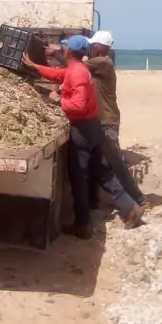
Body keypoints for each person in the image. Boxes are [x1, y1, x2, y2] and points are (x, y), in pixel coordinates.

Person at [23, 35, 144, 239]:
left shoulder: (78, 73)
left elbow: (77, 105)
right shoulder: (77, 69)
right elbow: (58, 74)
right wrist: (35, 66)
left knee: (79, 176)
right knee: (103, 172)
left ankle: (82, 225)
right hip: (93, 127)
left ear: (69, 51)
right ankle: (130, 207)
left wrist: (57, 99)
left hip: (83, 130)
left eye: (65, 47)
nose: (64, 49)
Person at [46, 31, 147, 209]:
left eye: (94, 45)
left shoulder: (103, 62)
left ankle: (138, 200)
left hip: (107, 122)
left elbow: (74, 65)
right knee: (97, 164)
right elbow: (73, 68)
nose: (91, 47)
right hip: (99, 122)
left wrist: (57, 54)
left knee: (115, 164)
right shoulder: (96, 64)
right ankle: (95, 202)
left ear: (103, 47)